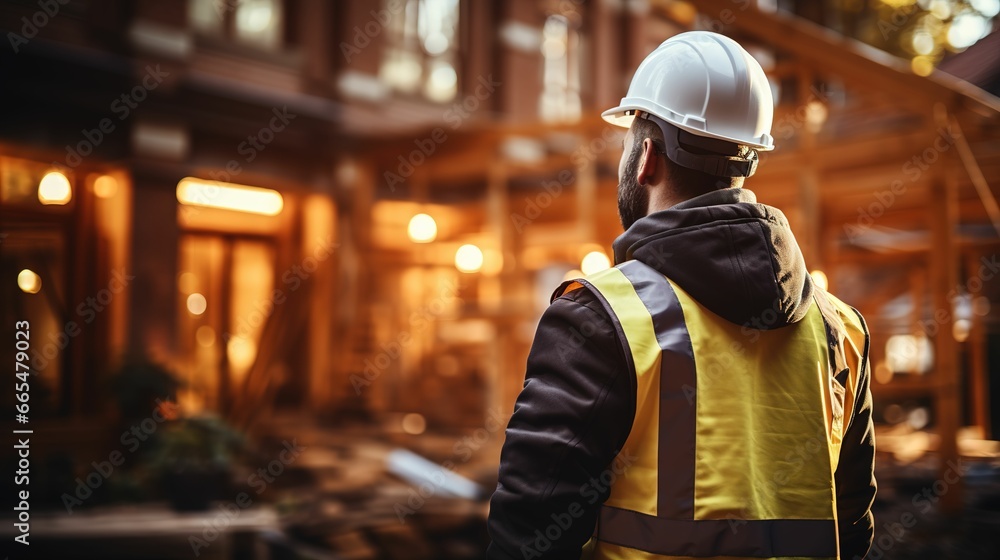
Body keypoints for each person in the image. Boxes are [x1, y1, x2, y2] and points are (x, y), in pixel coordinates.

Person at [487, 31, 876, 560]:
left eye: (628, 142)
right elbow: (850, 529)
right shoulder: (841, 330)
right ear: (749, 160)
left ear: (645, 157)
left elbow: (527, 537)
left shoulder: (599, 317)